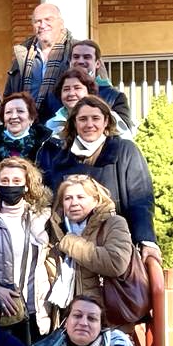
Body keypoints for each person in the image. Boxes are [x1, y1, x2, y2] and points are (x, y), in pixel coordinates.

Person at [38, 95, 158, 256]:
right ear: (74, 123)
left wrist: (146, 239)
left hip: (115, 246)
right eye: (83, 119)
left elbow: (141, 199)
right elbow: (53, 207)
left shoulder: (125, 151)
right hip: (71, 249)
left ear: (106, 121)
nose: (89, 124)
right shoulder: (60, 159)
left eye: (95, 118)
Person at [0, 157, 52, 346]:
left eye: (16, 181)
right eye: (4, 181)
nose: (10, 185)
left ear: (27, 185)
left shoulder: (43, 218)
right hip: (0, 307)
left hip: (37, 305)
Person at [45, 175, 133, 325]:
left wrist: (70, 242)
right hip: (65, 316)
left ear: (96, 200)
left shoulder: (113, 223)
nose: (74, 203)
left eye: (81, 197)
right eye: (68, 198)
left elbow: (116, 263)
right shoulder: (56, 230)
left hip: (104, 316)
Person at [4, 2, 74, 119]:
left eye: (48, 19)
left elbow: (101, 89)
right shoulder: (23, 54)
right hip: (29, 123)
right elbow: (9, 96)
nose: (42, 25)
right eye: (38, 21)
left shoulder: (78, 51)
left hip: (66, 122)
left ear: (61, 23)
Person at [44, 69, 133, 141]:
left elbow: (126, 148)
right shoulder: (52, 125)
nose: (71, 93)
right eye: (66, 89)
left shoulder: (109, 117)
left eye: (77, 88)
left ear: (89, 91)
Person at [69, 39, 134, 131]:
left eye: (87, 57)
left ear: (98, 64)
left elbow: (123, 132)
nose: (80, 61)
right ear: (70, 62)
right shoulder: (55, 97)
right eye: (76, 57)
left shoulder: (114, 97)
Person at [0, 93, 52, 167]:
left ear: (31, 118)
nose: (14, 116)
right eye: (8, 112)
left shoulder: (46, 145)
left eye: (20, 111)